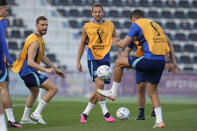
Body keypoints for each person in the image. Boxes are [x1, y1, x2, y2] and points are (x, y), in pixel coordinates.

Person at [98, 9, 178, 128]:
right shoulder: (155, 25)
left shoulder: (137, 24)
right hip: (160, 62)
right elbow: (168, 42)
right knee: (153, 92)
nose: (132, 24)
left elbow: (123, 44)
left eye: (131, 22)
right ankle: (159, 121)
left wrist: (114, 42)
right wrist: (173, 62)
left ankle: (113, 92)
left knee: (119, 63)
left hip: (149, 59)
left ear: (133, 19)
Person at [11, 16, 65, 124]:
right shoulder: (35, 42)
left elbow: (43, 57)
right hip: (28, 71)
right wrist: (46, 70)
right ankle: (36, 113)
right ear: (36, 26)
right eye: (42, 25)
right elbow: (30, 62)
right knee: (53, 88)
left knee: (35, 92)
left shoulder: (39, 39)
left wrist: (55, 69)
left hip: (27, 71)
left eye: (46, 25)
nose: (45, 27)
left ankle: (24, 119)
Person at [77, 2, 121, 123]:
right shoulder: (86, 27)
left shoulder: (110, 25)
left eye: (99, 11)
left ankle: (85, 114)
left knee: (98, 88)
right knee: (100, 85)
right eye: (95, 11)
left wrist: (120, 55)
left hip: (105, 60)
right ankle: (106, 113)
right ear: (92, 13)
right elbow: (81, 45)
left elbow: (117, 39)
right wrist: (78, 61)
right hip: (93, 59)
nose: (97, 13)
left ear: (103, 12)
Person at [0, 0, 22, 128]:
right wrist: (8, 59)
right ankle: (10, 120)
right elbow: (2, 42)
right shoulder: (2, 21)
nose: (7, 13)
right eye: (6, 10)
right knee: (4, 88)